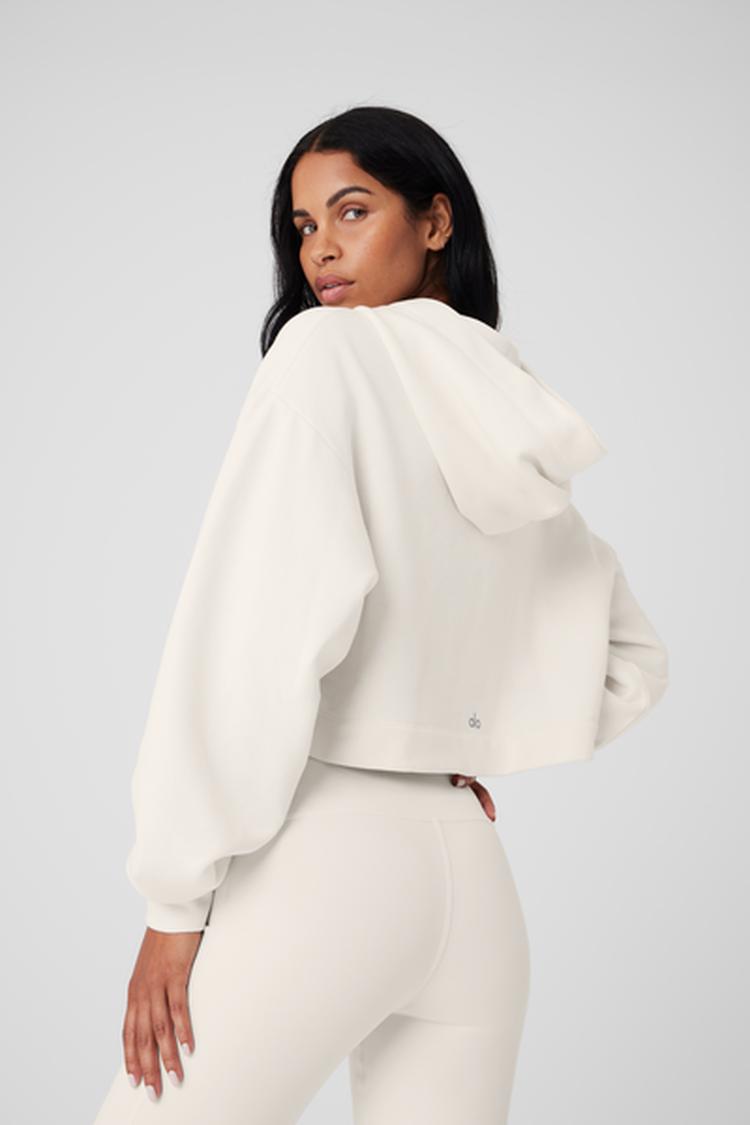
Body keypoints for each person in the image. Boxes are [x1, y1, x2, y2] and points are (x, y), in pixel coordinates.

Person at [92, 106, 669, 1124]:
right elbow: (628, 658)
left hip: (328, 862)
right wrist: (457, 741)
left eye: (351, 211)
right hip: (471, 888)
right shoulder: (507, 401)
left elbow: (244, 639)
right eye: (303, 226)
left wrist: (173, 904)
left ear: (436, 221)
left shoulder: (324, 356)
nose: (320, 248)